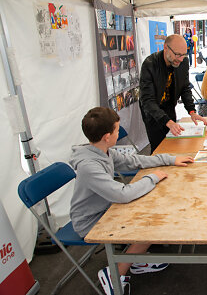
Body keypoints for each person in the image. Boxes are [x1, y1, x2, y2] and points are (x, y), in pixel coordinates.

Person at [69, 107, 194, 295]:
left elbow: (135, 161)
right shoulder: (89, 166)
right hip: (91, 221)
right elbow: (123, 194)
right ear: (106, 136)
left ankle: (135, 259)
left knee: (153, 209)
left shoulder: (104, 152)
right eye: (117, 129)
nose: (119, 132)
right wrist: (152, 178)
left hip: (108, 208)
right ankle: (114, 274)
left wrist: (170, 159)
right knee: (150, 224)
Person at [140, 34, 207, 154]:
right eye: (177, 54)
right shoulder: (150, 64)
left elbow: (185, 87)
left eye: (184, 54)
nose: (181, 59)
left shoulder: (183, 62)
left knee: (173, 145)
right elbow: (147, 100)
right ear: (165, 47)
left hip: (169, 108)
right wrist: (167, 121)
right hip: (153, 114)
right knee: (159, 149)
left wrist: (192, 111)